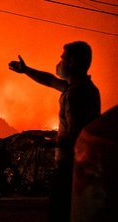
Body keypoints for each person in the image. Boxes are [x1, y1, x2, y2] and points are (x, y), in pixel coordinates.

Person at [8, 41, 101, 222]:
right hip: (78, 165)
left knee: (60, 212)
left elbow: (76, 131)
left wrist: (48, 141)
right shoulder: (80, 88)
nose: (59, 61)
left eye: (63, 57)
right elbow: (50, 80)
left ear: (72, 62)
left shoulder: (76, 93)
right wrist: (27, 70)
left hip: (70, 166)